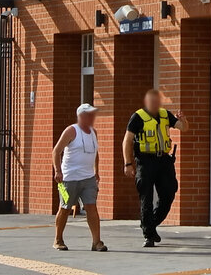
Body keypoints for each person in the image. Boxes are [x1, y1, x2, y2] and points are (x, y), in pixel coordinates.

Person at [122, 89, 189, 247]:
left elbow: (183, 128)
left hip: (164, 160)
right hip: (145, 161)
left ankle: (149, 225)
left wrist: (184, 120)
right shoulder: (138, 117)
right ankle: (149, 235)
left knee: (169, 192)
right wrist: (128, 163)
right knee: (146, 198)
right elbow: (127, 141)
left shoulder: (166, 114)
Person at [52, 103, 108, 253]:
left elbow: (96, 154)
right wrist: (58, 171)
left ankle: (97, 242)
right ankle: (58, 239)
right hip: (68, 178)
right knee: (65, 208)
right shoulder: (71, 131)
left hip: (88, 178)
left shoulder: (93, 132)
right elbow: (56, 151)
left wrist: (96, 171)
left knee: (92, 207)